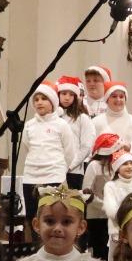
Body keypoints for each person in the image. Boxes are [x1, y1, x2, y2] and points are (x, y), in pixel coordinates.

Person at [22, 83, 80, 225]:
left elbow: (69, 152)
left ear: (53, 102)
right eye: (36, 99)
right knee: (33, 217)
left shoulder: (61, 125)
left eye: (44, 98)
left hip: (54, 175)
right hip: (31, 176)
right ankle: (36, 246)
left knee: (53, 216)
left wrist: (57, 168)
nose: (39, 102)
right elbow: (26, 146)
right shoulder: (29, 125)